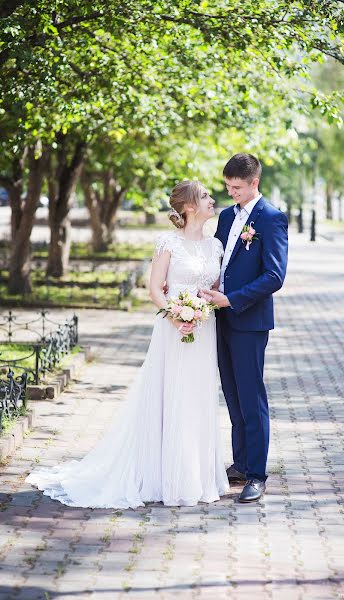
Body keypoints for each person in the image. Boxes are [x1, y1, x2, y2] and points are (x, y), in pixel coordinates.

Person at [26, 180, 229, 508]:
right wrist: (176, 316)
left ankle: (194, 474)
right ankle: (163, 476)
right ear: (189, 207)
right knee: (170, 395)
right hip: (173, 330)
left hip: (204, 331)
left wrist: (204, 308)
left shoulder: (215, 246)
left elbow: (214, 286)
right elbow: (154, 289)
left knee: (197, 397)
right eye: (205, 196)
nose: (212, 199)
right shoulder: (168, 243)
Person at [200, 153, 288, 503]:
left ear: (255, 183)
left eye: (237, 187)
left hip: (249, 320)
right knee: (233, 395)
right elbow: (217, 261)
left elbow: (274, 276)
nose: (231, 192)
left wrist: (232, 299)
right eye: (227, 187)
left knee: (252, 397)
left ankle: (257, 474)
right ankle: (240, 463)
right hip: (218, 318)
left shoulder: (271, 219)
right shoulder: (225, 216)